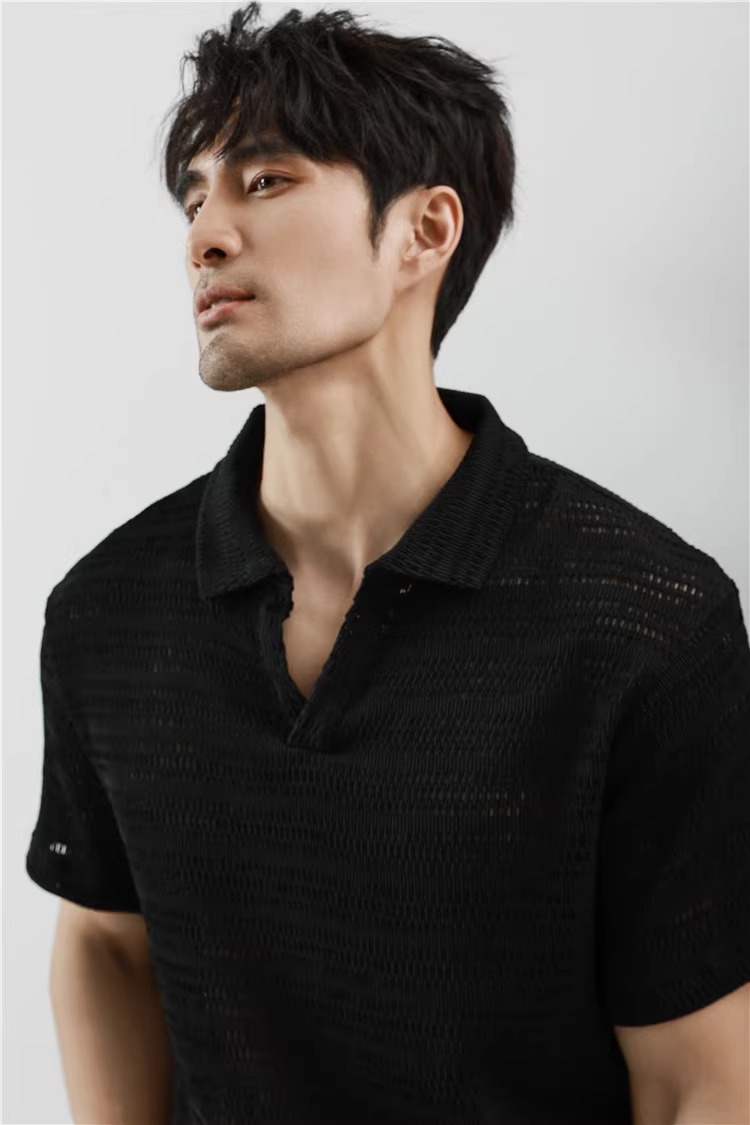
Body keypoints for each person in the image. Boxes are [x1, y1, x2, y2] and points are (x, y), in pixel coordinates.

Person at [26, 4, 750, 1124]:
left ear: (424, 230)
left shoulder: (645, 623)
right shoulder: (107, 613)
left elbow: (700, 1076)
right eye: (195, 197)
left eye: (265, 181)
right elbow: (107, 943)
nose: (205, 235)